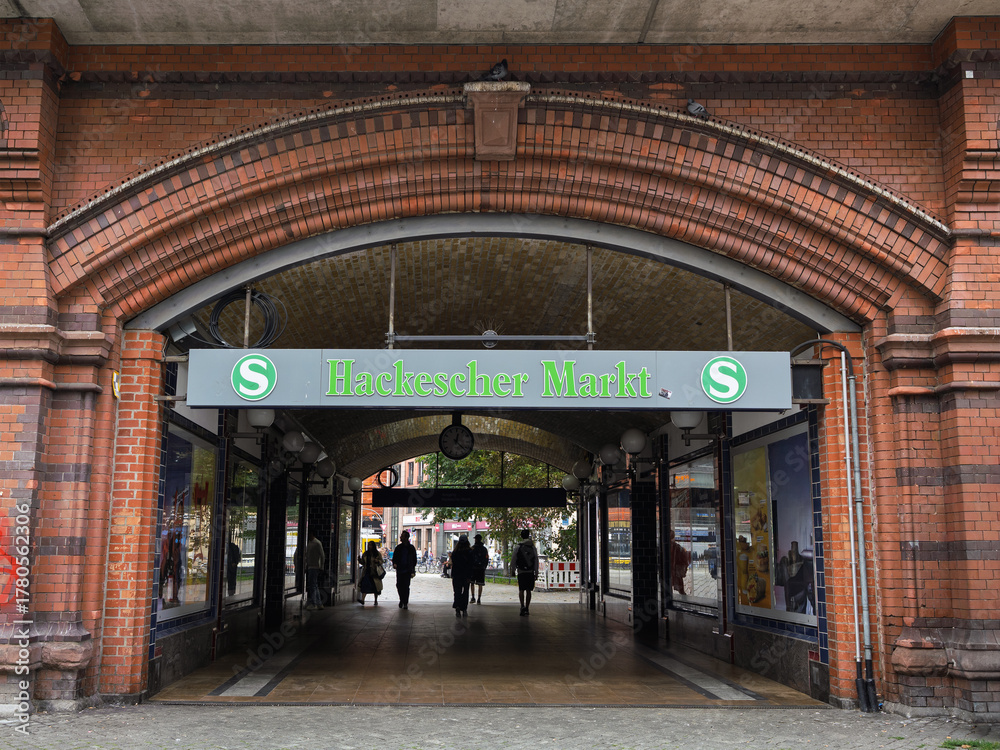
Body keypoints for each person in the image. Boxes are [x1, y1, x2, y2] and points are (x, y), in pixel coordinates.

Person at [512, 529, 539, 616]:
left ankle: (522, 606)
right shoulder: (532, 547)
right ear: (528, 535)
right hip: (530, 572)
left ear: (521, 536)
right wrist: (536, 572)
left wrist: (513, 570)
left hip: (521, 571)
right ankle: (527, 607)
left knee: (521, 589)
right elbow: (536, 560)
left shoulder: (518, 547)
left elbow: (514, 559)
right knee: (528, 590)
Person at [392, 530, 418, 609]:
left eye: (402, 536)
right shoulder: (398, 548)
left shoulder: (411, 548)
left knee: (406, 586)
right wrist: (395, 563)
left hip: (407, 570)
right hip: (400, 569)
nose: (400, 537)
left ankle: (405, 602)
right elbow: (395, 558)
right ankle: (402, 599)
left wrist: (412, 568)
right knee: (399, 585)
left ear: (406, 537)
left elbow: (414, 559)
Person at [450, 535, 474, 617]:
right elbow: (471, 565)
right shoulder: (470, 552)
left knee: (457, 591)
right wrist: (470, 576)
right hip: (466, 575)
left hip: (457, 575)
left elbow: (454, 563)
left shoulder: (455, 552)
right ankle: (464, 609)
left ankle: (457, 606)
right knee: (465, 591)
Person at [302, 530, 325, 610]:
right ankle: (319, 603)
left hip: (314, 567)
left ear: (312, 534)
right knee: (315, 585)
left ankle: (314, 603)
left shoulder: (317, 543)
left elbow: (322, 555)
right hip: (311, 566)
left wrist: (321, 566)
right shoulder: (309, 543)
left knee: (312, 585)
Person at [358, 541, 384, 606]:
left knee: (375, 587)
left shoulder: (377, 554)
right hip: (367, 572)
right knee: (365, 585)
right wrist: (359, 560)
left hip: (375, 573)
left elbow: (381, 561)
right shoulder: (366, 554)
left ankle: (375, 600)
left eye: (371, 545)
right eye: (369, 545)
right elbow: (363, 562)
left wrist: (377, 561)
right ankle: (362, 600)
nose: (369, 546)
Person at [669, 530, 690, 595]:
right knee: (680, 587)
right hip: (676, 570)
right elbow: (684, 558)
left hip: (672, 570)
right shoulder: (677, 547)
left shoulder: (667, 547)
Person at [470, 534, 489, 604]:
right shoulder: (484, 549)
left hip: (473, 568)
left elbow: (470, 559)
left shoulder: (472, 548)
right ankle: (479, 599)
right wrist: (484, 566)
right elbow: (487, 559)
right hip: (481, 568)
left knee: (472, 583)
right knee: (480, 584)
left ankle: (472, 597)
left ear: (476, 539)